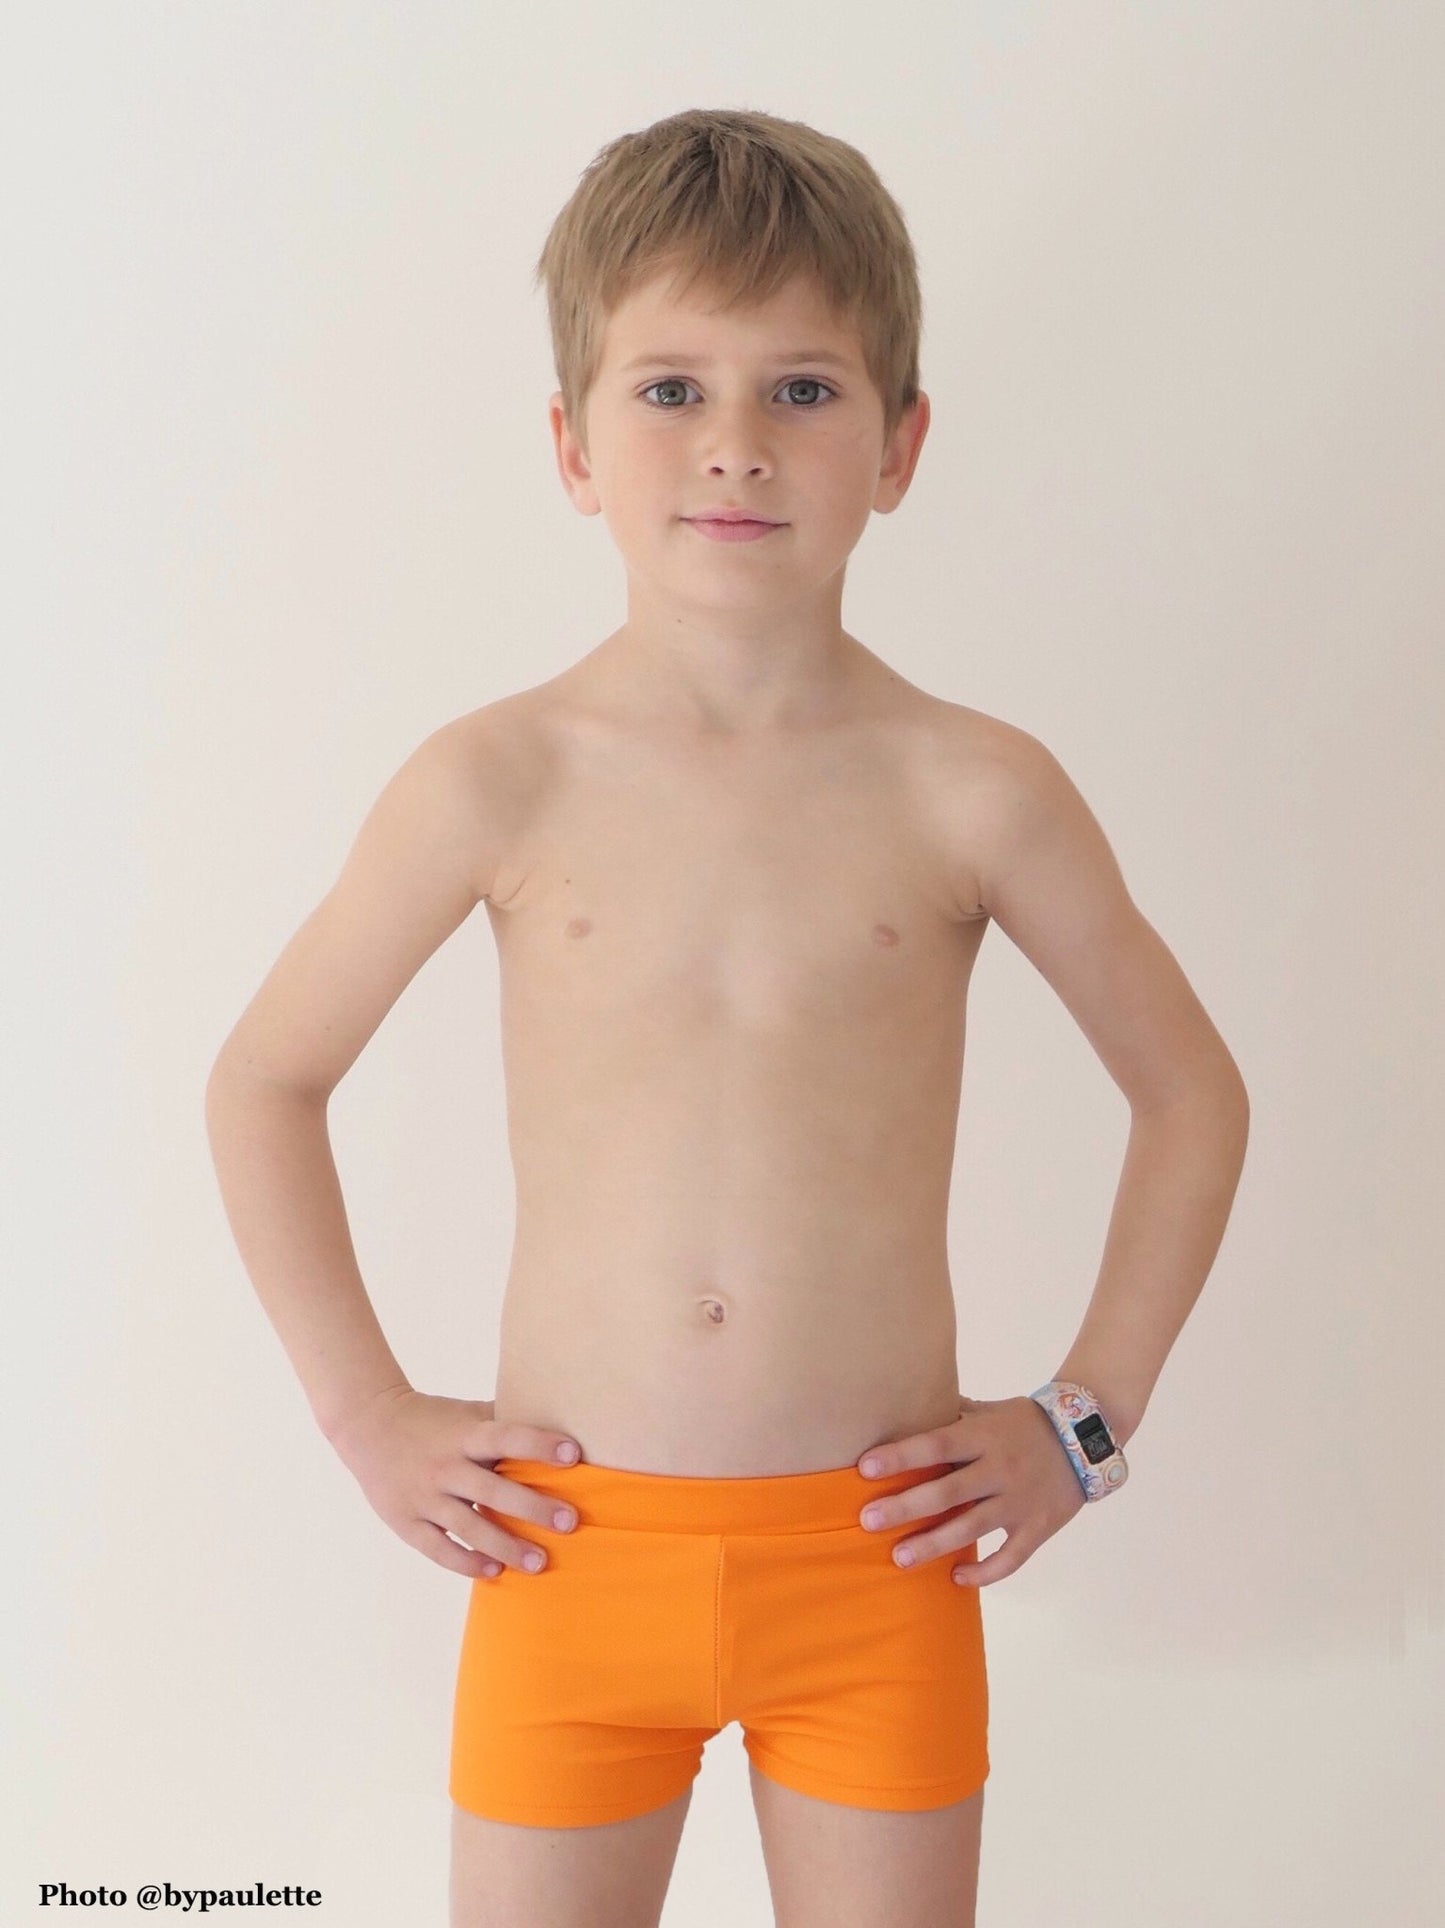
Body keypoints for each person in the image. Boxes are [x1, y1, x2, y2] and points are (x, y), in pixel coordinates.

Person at [204, 106, 1250, 1928]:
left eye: (804, 391)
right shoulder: (494, 779)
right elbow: (265, 1080)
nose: (736, 445)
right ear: (571, 444)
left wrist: (1082, 1422)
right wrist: (366, 1413)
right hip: (565, 1556)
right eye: (672, 389)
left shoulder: (973, 789)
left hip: (876, 1562)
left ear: (899, 445)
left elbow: (1190, 1095)